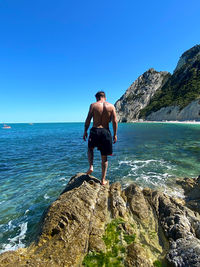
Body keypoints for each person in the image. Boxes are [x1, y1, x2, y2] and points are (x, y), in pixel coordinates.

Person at [83, 91, 118, 185]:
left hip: (95, 130)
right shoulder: (111, 106)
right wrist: (115, 134)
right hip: (106, 132)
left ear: (97, 98)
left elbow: (88, 119)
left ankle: (91, 166)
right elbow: (115, 121)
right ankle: (103, 180)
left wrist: (85, 131)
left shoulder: (93, 105)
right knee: (104, 157)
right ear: (104, 97)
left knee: (90, 148)